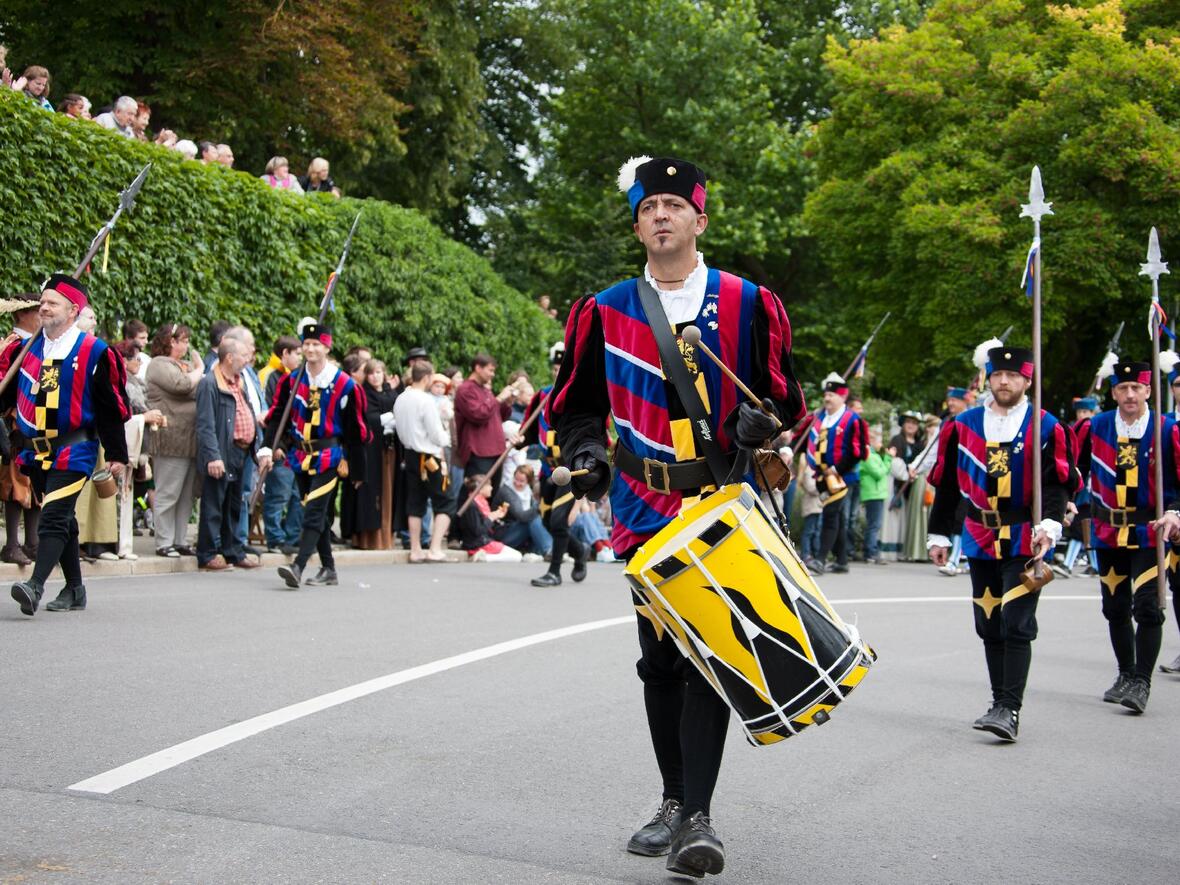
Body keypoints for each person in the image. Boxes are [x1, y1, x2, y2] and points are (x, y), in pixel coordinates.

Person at [547, 156, 805, 877]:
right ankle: (671, 798)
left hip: (723, 498)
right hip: (642, 506)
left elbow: (788, 398)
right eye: (648, 206)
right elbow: (577, 405)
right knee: (659, 657)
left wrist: (765, 425)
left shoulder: (751, 303)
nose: (661, 215)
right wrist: (590, 455)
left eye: (673, 204)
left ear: (700, 219)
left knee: (706, 655)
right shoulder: (603, 308)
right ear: (637, 224)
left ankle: (697, 814)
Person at [927, 344, 1073, 741]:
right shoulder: (962, 425)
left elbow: (1057, 483)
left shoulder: (1046, 425)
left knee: (1017, 620)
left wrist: (1051, 524)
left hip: (1025, 537)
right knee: (989, 622)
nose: (1004, 381)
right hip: (978, 536)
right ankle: (998, 702)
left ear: (1027, 380)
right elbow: (946, 486)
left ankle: (1010, 707)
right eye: (997, 375)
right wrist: (939, 533)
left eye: (1012, 376)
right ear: (987, 379)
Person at [2, 275, 130, 616]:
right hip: (35, 451)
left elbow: (110, 407)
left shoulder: (95, 352)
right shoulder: (27, 349)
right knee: (65, 521)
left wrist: (117, 454)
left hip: (76, 449)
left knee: (54, 517)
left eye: (52, 302)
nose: (43, 307)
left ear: (74, 310)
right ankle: (75, 589)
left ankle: (35, 586)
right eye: (42, 301)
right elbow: (11, 395)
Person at [1075, 359, 1179, 713]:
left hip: (1150, 532)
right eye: (1123, 388)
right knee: (1115, 607)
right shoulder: (1097, 426)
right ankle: (1125, 673)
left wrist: (1175, 511)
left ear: (1149, 391)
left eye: (1137, 388)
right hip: (1108, 531)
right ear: (1114, 391)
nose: (1130, 394)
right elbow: (1075, 470)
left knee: (1148, 607)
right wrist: (1069, 502)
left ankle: (1141, 682)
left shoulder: (1166, 430)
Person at [263, 324, 369, 588]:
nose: (310, 349)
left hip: (330, 455)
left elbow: (357, 429)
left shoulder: (344, 384)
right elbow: (278, 415)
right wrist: (269, 446)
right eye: (306, 344)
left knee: (314, 510)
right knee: (317, 514)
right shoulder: (292, 380)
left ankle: (297, 567)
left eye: (316, 344)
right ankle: (329, 568)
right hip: (300, 454)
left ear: (327, 347)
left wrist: (358, 469)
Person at [194, 336, 266, 571]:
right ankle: (207, 554)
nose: (248, 360)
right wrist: (213, 456)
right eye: (244, 356)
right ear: (229, 357)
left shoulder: (238, 381)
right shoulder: (210, 383)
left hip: (241, 452)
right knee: (214, 504)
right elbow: (205, 424)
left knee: (234, 504)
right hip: (222, 451)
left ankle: (233, 550)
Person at [520, 343, 588, 586]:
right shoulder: (542, 396)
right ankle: (579, 552)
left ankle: (554, 572)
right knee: (548, 521)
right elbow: (527, 431)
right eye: (557, 367)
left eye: (565, 368)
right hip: (548, 470)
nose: (560, 371)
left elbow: (596, 437)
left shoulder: (582, 397)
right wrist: (518, 441)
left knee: (559, 521)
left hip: (571, 470)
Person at [145, 323, 203, 557]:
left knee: (186, 495)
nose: (187, 345)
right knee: (168, 492)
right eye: (183, 340)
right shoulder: (158, 364)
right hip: (169, 438)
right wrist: (199, 369)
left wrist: (193, 375)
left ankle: (180, 540)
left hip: (190, 439)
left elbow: (195, 388)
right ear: (171, 341)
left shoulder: (185, 366)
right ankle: (163, 542)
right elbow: (182, 385)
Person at [804, 372, 869, 574]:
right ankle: (842, 561)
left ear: (842, 396)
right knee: (838, 518)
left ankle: (820, 560)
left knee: (831, 515)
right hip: (823, 476)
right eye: (826, 394)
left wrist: (837, 469)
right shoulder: (820, 418)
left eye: (831, 395)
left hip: (842, 477)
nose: (827, 398)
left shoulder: (852, 419)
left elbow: (857, 452)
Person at [393, 360, 455, 562]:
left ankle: (415, 549)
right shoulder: (425, 401)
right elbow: (436, 434)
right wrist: (446, 439)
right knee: (445, 502)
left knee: (415, 501)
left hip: (410, 454)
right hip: (430, 456)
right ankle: (434, 548)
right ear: (428, 377)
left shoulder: (401, 398)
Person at [0, 294, 42, 565]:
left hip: (39, 418)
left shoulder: (40, 344)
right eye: (38, 311)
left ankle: (33, 542)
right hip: (16, 418)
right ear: (23, 315)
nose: (43, 315)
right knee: (16, 479)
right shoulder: (13, 345)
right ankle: (12, 543)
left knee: (36, 479)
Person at [260, 335, 304, 554]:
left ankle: (292, 536)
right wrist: (273, 444)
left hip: (298, 447)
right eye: (296, 353)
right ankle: (275, 537)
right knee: (279, 494)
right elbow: (273, 413)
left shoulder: (298, 377)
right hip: (281, 445)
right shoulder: (271, 377)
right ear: (284, 354)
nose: (300, 357)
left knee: (298, 495)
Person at [453, 354, 515, 501]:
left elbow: (498, 416)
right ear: (478, 368)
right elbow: (479, 415)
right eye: (490, 370)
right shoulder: (465, 389)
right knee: (476, 495)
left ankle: (486, 522)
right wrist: (499, 398)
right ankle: (469, 524)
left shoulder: (485, 390)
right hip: (478, 451)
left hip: (495, 450)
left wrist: (507, 402)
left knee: (490, 494)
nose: (492, 375)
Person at [353, 359, 397, 549]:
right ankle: (370, 538)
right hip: (370, 450)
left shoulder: (390, 392)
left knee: (389, 490)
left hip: (389, 448)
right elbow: (362, 418)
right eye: (371, 373)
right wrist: (379, 421)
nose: (375, 376)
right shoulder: (363, 393)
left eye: (378, 372)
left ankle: (387, 536)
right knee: (371, 493)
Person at [1061, 394, 1100, 577]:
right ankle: (1094, 565)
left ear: (1093, 412)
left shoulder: (1090, 427)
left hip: (1090, 483)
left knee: (1083, 523)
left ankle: (1069, 564)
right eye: (1080, 411)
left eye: (1086, 411)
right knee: (1083, 525)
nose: (1082, 414)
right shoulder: (1077, 427)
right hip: (1082, 479)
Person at [458, 474, 522, 561]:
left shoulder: (480, 503)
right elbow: (478, 530)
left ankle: (484, 557)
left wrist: (496, 516)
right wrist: (491, 518)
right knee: (517, 556)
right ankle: (485, 558)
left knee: (515, 555)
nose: (491, 488)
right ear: (480, 488)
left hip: (482, 541)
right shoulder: (472, 505)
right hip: (477, 543)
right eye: (489, 485)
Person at [491, 464, 550, 558]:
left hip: (518, 531)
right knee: (533, 519)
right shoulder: (506, 492)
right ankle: (548, 550)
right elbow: (521, 516)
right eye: (516, 479)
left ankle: (547, 550)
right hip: (503, 534)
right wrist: (540, 506)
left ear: (528, 481)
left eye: (522, 481)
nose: (517, 483)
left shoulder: (528, 491)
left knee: (541, 520)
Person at [860, 427, 892, 565]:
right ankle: (871, 552)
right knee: (874, 525)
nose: (880, 443)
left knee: (874, 524)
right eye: (878, 440)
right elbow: (879, 473)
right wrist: (888, 458)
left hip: (876, 493)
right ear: (871, 440)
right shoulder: (868, 454)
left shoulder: (874, 454)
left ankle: (870, 551)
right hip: (873, 493)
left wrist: (885, 456)